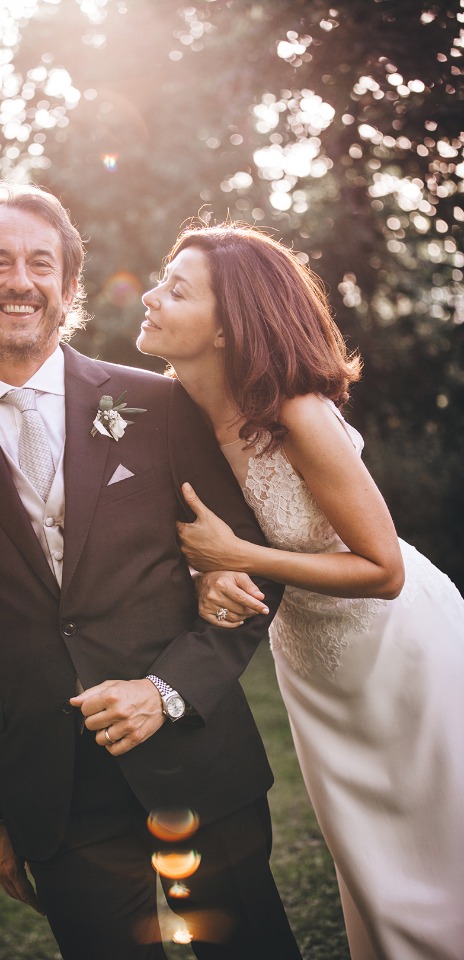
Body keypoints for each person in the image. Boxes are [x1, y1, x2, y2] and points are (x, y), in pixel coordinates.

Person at [0, 184, 303, 960]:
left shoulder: (158, 404)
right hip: (53, 792)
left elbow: (250, 569)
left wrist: (166, 691)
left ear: (69, 287)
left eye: (41, 263)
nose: (21, 281)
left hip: (198, 763)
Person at [137, 222, 464, 960]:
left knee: (445, 853)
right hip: (314, 667)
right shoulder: (175, 417)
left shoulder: (297, 415)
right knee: (374, 866)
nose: (151, 298)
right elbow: (202, 544)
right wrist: (210, 573)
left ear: (227, 330)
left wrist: (237, 553)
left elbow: (384, 570)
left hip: (400, 653)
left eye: (177, 290)